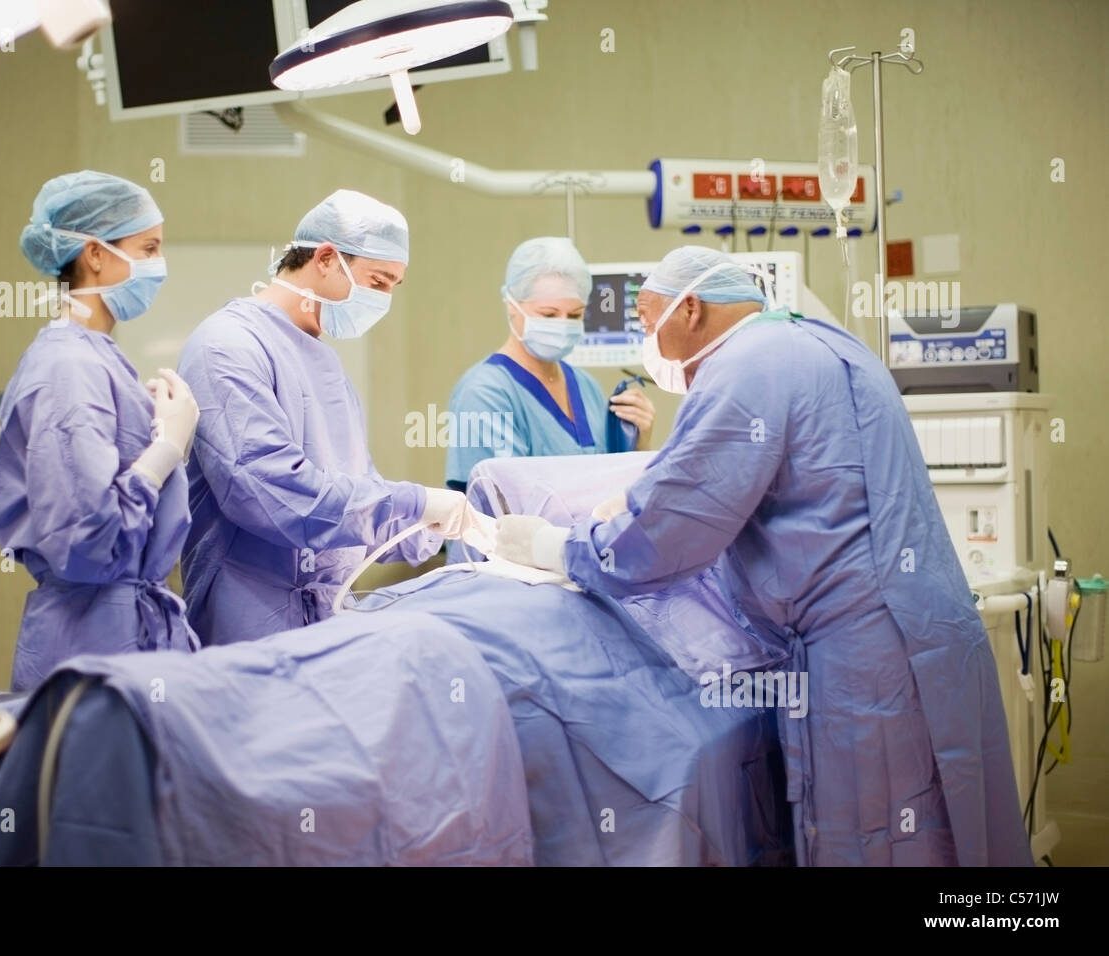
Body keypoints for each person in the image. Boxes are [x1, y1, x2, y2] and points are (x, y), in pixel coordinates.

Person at [493, 245, 1031, 866]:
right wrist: (643, 493)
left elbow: (672, 533)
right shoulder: (821, 342)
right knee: (947, 832)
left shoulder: (746, 368)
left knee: (877, 840)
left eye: (646, 322)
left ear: (689, 308)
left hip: (865, 663)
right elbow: (731, 477)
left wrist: (562, 548)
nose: (648, 345)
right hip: (926, 634)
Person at [177, 189, 471, 645]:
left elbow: (352, 495)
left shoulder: (327, 366)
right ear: (328, 258)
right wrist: (414, 502)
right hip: (248, 621)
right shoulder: (227, 345)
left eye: (395, 286)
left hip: (326, 618)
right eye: (378, 281)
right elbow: (271, 492)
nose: (386, 299)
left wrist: (429, 528)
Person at [0, 170, 201, 692]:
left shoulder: (95, 358)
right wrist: (166, 448)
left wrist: (152, 430)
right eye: (148, 247)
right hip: (93, 638)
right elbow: (88, 539)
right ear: (94, 253)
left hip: (116, 628)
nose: (159, 265)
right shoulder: (69, 367)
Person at [445, 237, 655, 494]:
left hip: (584, 535)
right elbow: (503, 505)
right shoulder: (483, 393)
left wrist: (638, 444)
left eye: (575, 315)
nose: (563, 324)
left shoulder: (586, 386)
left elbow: (615, 486)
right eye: (549, 314)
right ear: (512, 306)